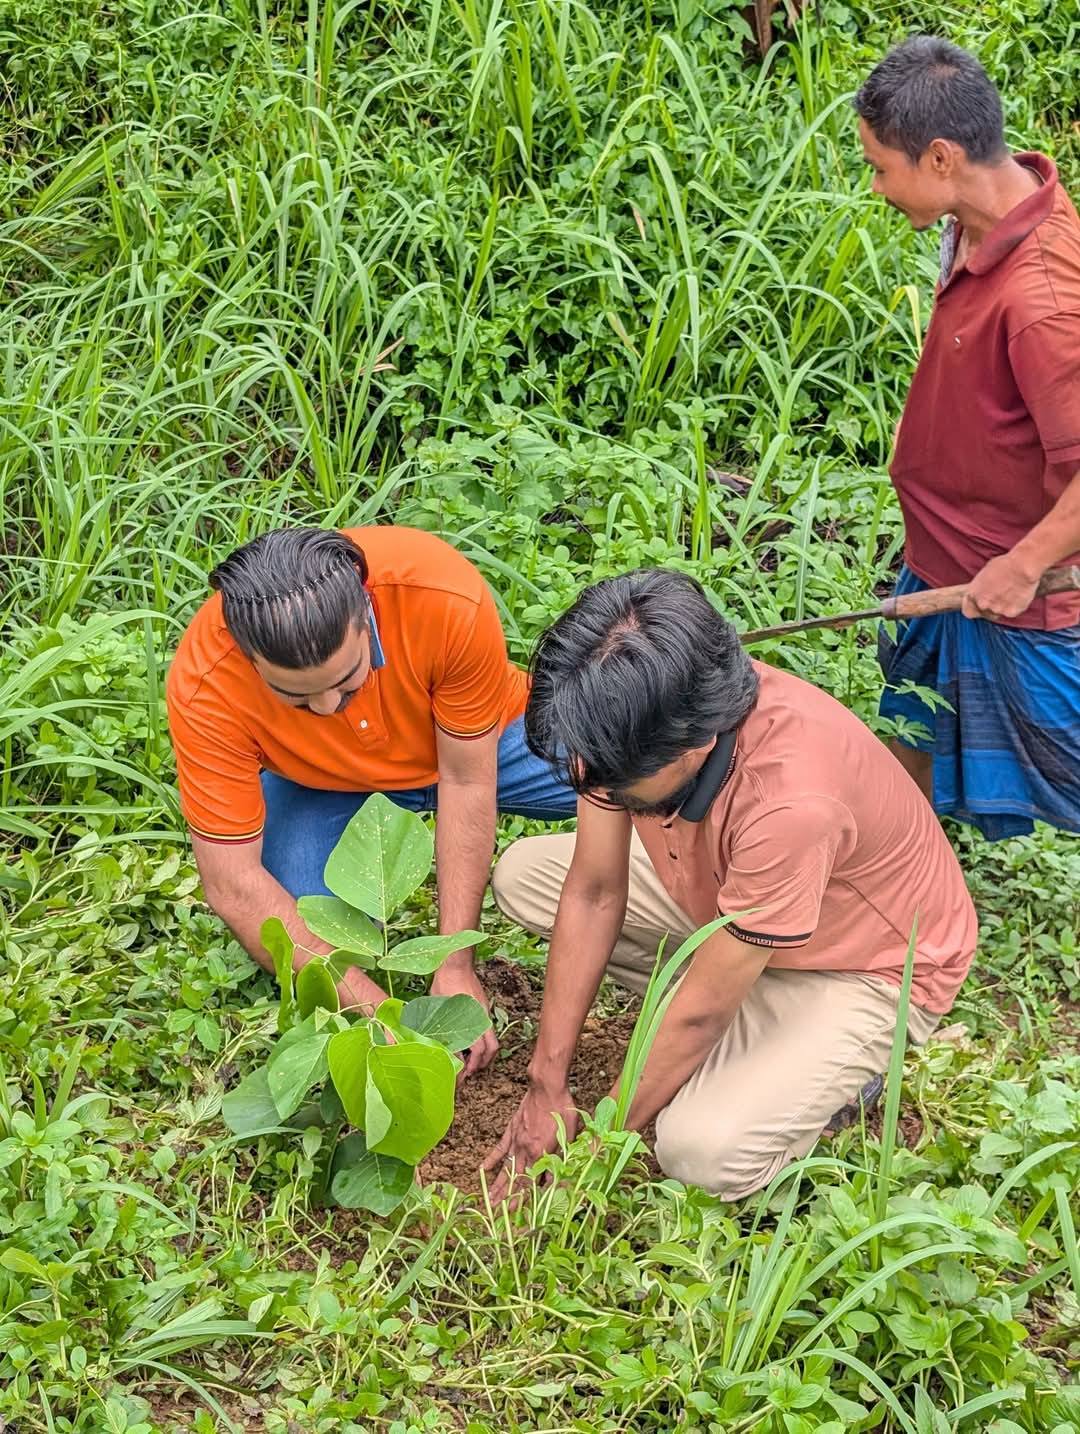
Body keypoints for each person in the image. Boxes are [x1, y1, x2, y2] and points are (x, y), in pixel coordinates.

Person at [485, 568, 977, 1200]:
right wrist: (545, 1084)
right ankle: (752, 1015)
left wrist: (586, 1160)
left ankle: (842, 1067)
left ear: (693, 745)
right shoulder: (633, 716)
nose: (589, 780)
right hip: (733, 899)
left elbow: (697, 1018)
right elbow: (596, 890)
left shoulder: (792, 802)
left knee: (701, 1152)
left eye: (614, 781)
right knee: (528, 877)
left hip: (861, 966)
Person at [166, 525, 575, 1075]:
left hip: (483, 742)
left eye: (348, 680)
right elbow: (234, 884)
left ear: (367, 611)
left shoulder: (441, 594)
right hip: (323, 783)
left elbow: (466, 781)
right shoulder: (204, 684)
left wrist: (454, 965)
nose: (329, 705)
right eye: (296, 698)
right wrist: (376, 1009)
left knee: (626, 760)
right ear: (247, 658)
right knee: (288, 905)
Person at [855, 35, 1080, 839]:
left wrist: (1023, 565)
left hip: (1017, 585)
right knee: (909, 717)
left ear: (942, 157)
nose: (877, 186)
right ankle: (898, 877)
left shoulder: (1045, 298)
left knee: (1068, 768)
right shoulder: (984, 220)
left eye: (882, 167)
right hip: (940, 556)